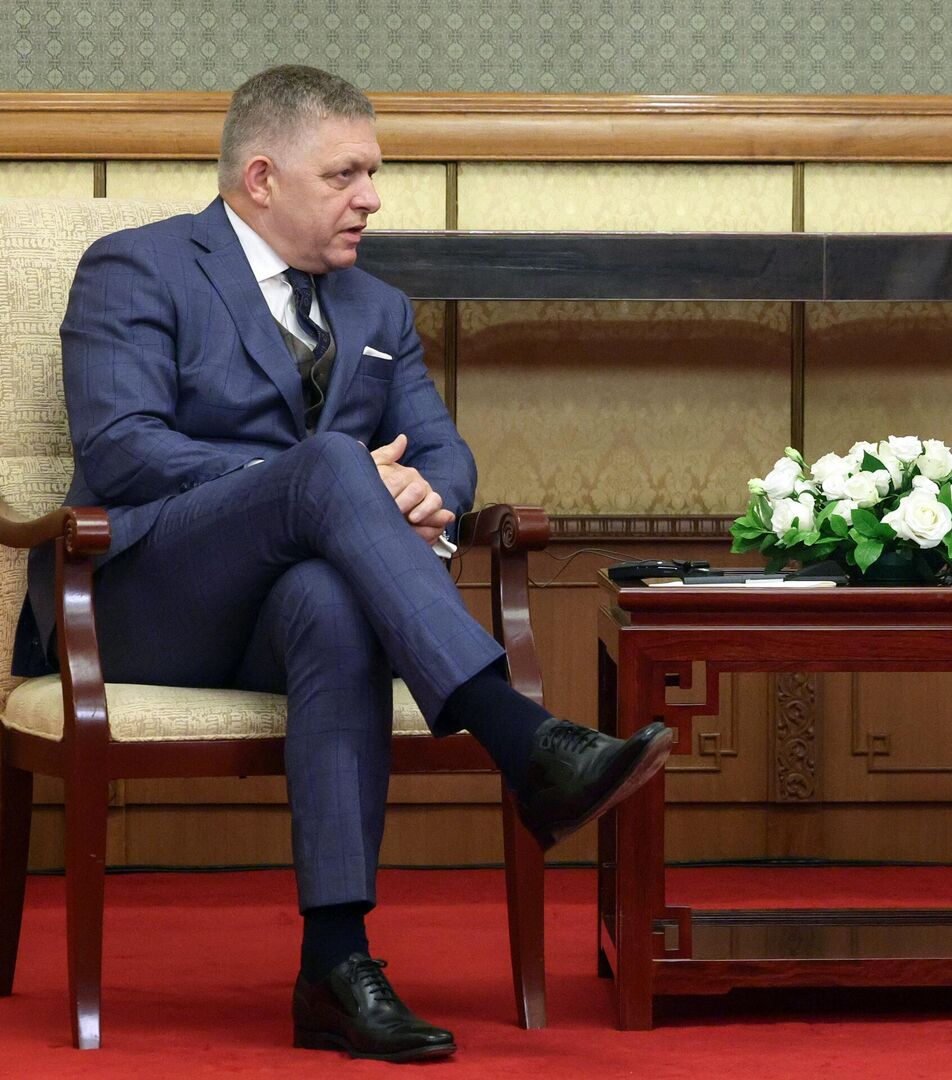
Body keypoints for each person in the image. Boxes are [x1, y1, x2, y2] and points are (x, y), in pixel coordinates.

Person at [8, 65, 674, 1063]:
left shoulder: (377, 308)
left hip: (282, 617)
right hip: (141, 603)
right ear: (262, 178)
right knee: (328, 465)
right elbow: (124, 447)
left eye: (374, 173)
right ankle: (518, 735)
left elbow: (442, 452)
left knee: (330, 594)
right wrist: (324, 481)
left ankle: (334, 964)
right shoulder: (137, 268)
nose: (371, 197)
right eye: (346, 175)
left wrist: (421, 494)